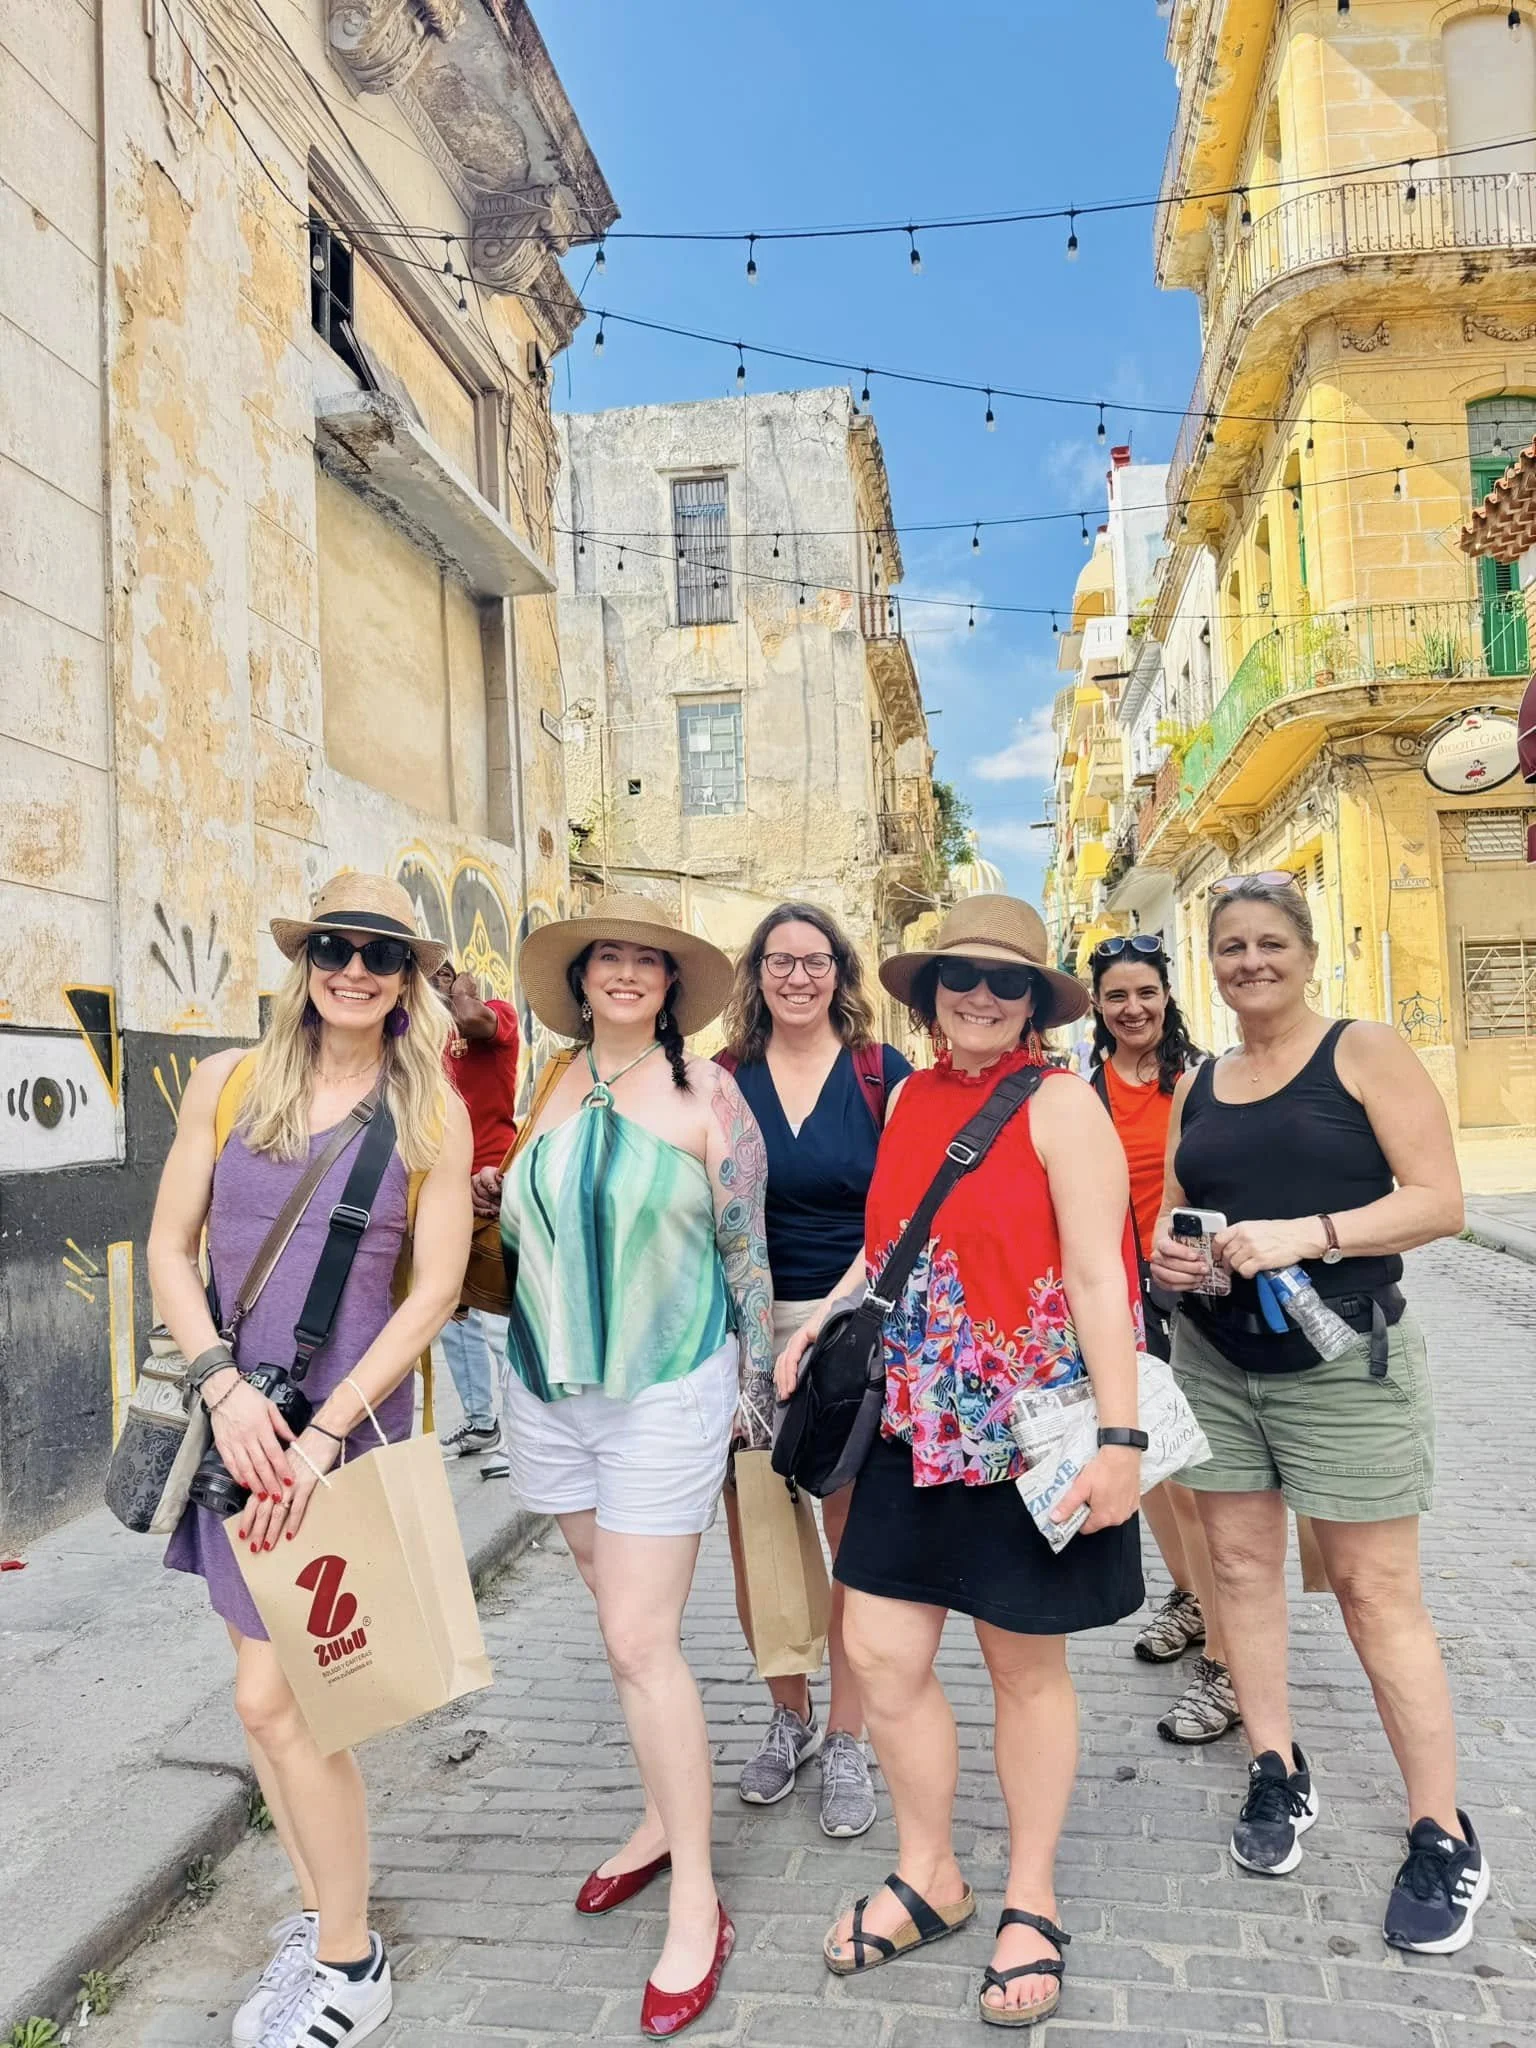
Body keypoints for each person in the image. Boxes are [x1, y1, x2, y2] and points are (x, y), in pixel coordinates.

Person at [780, 895, 1146, 2028]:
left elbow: (1099, 1277)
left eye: (1005, 983)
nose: (979, 997)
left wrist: (1122, 1439)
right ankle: (930, 1868)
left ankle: (1029, 1893)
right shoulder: (908, 1098)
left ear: (1034, 1003)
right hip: (911, 1421)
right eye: (959, 979)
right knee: (883, 1649)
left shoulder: (1062, 1103)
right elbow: (888, 1246)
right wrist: (822, 1317)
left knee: (1024, 1665)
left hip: (1030, 1427)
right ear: (930, 989)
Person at [150, 874, 472, 2048]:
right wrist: (222, 1386)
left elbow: (434, 1288)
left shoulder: (430, 1107)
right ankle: (323, 1913)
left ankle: (350, 1955)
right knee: (266, 1701)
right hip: (236, 1427)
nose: (355, 967)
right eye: (335, 946)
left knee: (292, 1701)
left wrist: (330, 1421)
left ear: (406, 977)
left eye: (380, 953)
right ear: (306, 958)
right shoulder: (228, 1081)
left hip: (337, 1435)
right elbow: (169, 1249)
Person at [1149, 873, 1480, 1953]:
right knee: (1237, 1571)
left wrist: (1309, 1232)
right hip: (1217, 1358)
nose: (1251, 960)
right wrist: (1174, 1259)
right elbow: (1170, 1210)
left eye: (1270, 942)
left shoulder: (1364, 1049)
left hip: (1348, 1364)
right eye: (1232, 945)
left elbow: (1440, 1199)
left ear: (1307, 948)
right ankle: (1276, 1768)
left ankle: (1442, 1827)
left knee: (1377, 1596)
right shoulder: (1202, 1080)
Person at [499, 894, 776, 2039]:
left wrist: (757, 1388)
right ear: (580, 981)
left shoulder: (712, 1094)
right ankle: (663, 1816)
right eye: (604, 957)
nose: (622, 973)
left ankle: (700, 1898)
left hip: (667, 1385)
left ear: (670, 985)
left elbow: (743, 1250)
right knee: (618, 1622)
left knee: (638, 1636)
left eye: (643, 961)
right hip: (547, 1384)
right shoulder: (546, 1086)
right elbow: (524, 1227)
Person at [716, 903, 911, 1836]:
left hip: (851, 1326)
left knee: (853, 1538)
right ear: (756, 974)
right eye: (779, 961)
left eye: (816, 960)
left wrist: (829, 1317)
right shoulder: (719, 1081)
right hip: (741, 1331)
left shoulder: (882, 1075)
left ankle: (848, 1732)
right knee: (762, 1537)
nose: (798, 977)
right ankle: (787, 1716)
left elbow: (908, 1212)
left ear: (842, 972)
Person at [1088, 935, 1235, 1747]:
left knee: (1194, 1479)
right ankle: (1190, 1595)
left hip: (1200, 1296)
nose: (1133, 1008)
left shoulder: (1205, 1080)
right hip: (1127, 1300)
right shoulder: (1088, 1091)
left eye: (1146, 992)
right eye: (1117, 997)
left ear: (1166, 995)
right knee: (1148, 1467)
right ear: (1100, 1008)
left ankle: (1225, 1642)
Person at [430, 957, 520, 1463]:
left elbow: (470, 1016)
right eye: (429, 973)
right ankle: (481, 1422)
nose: (435, 981)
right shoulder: (421, 1037)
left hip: (492, 1183)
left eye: (446, 971)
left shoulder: (493, 1017)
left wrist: (463, 990)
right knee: (452, 1315)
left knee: (499, 1318)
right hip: (442, 1186)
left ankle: (522, 1431)